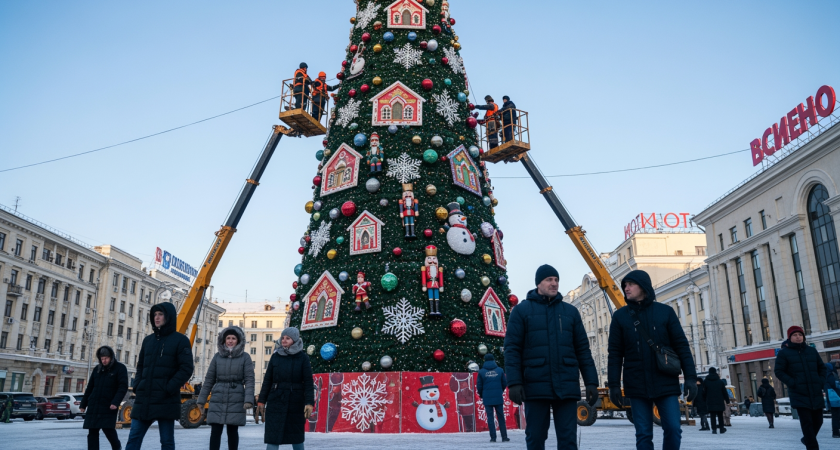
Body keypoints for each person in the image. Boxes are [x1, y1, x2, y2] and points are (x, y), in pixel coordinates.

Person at [504, 264, 599, 450]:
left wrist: (591, 382)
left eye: (556, 280)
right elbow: (512, 349)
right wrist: (514, 382)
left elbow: (582, 350)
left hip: (566, 384)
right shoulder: (521, 311)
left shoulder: (570, 312)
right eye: (549, 280)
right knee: (535, 437)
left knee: (568, 438)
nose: (554, 283)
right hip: (535, 385)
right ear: (538, 283)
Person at [607, 269, 697, 450]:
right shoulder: (620, 317)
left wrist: (691, 378)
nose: (626, 288)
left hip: (665, 382)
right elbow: (615, 354)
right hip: (636, 384)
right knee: (643, 434)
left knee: (673, 428)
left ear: (643, 286)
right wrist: (614, 385)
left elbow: (682, 346)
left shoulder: (665, 312)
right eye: (624, 285)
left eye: (631, 284)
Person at [127, 302, 194, 450]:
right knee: (133, 439)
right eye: (154, 315)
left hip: (166, 399)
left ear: (168, 316)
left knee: (166, 441)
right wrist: (138, 385)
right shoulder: (148, 340)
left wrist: (168, 388)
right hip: (144, 399)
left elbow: (186, 368)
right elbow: (140, 366)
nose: (156, 318)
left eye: (160, 314)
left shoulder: (180, 340)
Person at [197, 326, 255, 450]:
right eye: (228, 338)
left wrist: (248, 400)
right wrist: (201, 400)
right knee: (215, 431)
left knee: (232, 431)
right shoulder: (217, 357)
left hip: (236, 397)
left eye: (233, 338)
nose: (230, 340)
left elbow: (250, 380)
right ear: (223, 340)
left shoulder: (245, 357)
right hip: (218, 397)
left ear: (238, 341)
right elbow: (209, 380)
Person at [258, 327, 315, 450]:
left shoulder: (302, 358)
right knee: (273, 435)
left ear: (294, 340)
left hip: (296, 401)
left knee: (297, 436)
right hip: (276, 400)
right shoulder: (276, 356)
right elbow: (268, 380)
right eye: (283, 338)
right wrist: (261, 400)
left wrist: (309, 402)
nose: (284, 340)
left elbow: (308, 382)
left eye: (287, 338)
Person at [775, 326, 827, 450]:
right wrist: (793, 383)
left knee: (818, 421)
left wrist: (820, 382)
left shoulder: (811, 351)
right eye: (795, 335)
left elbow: (822, 368)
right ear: (789, 337)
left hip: (815, 392)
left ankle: (807, 439)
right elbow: (779, 371)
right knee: (807, 424)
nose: (798, 337)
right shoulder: (784, 353)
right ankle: (812, 447)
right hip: (799, 393)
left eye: (800, 334)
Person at [80, 346, 128, 450]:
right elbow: (90, 387)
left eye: (106, 358)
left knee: (108, 430)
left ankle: (117, 448)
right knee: (92, 432)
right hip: (94, 405)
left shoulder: (120, 368)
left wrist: (115, 402)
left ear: (111, 357)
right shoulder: (97, 369)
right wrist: (83, 404)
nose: (104, 361)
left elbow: (122, 387)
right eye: (102, 359)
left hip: (108, 405)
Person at [477, 354, 509, 443]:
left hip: (487, 397)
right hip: (498, 396)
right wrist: (500, 391)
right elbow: (504, 383)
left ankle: (493, 437)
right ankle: (504, 437)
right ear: (493, 359)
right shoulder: (500, 370)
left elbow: (479, 386)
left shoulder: (481, 372)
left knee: (490, 418)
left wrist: (482, 394)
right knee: (501, 417)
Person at [702, 367, 728, 434]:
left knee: (712, 416)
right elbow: (724, 392)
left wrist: (704, 400)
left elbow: (703, 392)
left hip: (710, 401)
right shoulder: (720, 382)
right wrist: (727, 401)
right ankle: (721, 429)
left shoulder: (706, 381)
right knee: (720, 415)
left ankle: (714, 429)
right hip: (719, 401)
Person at [823, 363, 840, 438]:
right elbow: (834, 385)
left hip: (832, 398)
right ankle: (836, 432)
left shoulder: (825, 375)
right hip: (835, 398)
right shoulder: (831, 375)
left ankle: (836, 431)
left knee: (835, 415)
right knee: (836, 415)